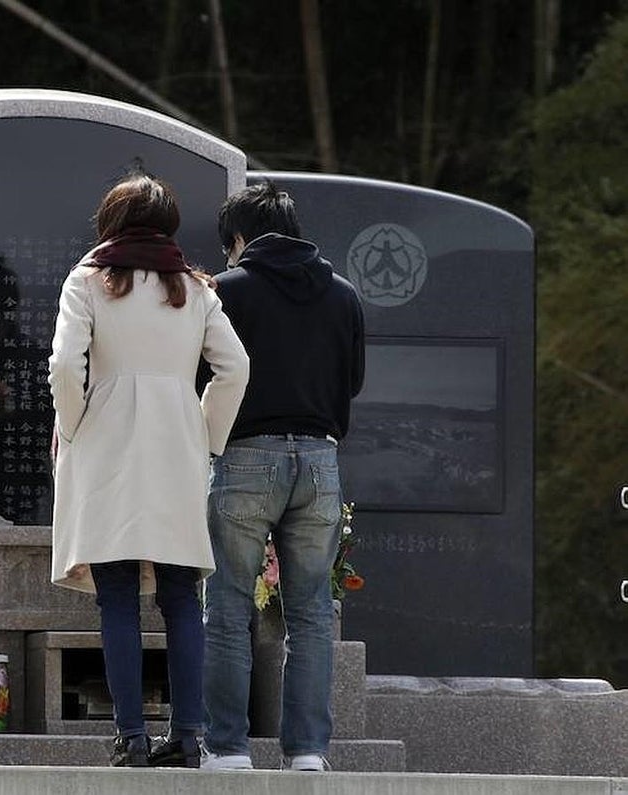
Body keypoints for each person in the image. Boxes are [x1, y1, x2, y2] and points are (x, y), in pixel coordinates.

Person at [47, 174, 250, 768]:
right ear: (170, 226)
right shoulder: (196, 289)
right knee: (183, 596)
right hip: (176, 448)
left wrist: (75, 424)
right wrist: (206, 434)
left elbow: (64, 364)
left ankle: (131, 736)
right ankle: (189, 736)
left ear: (112, 220)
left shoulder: (88, 280)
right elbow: (234, 368)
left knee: (116, 597)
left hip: (105, 445)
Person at [202, 180, 365, 771]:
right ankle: (308, 752)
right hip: (321, 461)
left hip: (246, 456)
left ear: (239, 239)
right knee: (312, 613)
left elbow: (208, 377)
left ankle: (226, 748)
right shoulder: (343, 294)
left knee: (227, 605)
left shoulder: (228, 290)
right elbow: (352, 382)